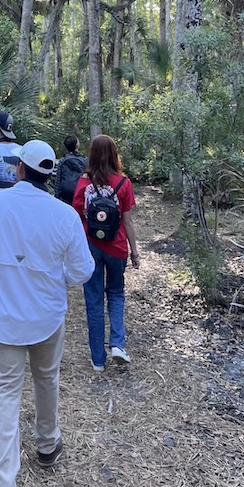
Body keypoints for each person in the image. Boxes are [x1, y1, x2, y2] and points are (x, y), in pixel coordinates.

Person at [0, 140, 94, 487]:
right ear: (50, 175)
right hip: (47, 316)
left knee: (6, 390)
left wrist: (6, 276)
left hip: (6, 317)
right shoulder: (64, 215)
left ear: (20, 169)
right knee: (46, 378)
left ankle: (2, 479)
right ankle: (47, 445)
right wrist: (56, 279)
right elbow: (82, 271)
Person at [72, 134, 140, 371]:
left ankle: (98, 359)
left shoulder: (83, 183)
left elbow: (76, 216)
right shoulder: (123, 183)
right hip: (117, 248)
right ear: (114, 154)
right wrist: (135, 253)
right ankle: (118, 345)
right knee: (116, 294)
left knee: (94, 300)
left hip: (90, 248)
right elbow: (128, 221)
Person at [54, 134, 87, 205]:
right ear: (77, 145)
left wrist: (57, 195)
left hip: (65, 196)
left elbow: (58, 180)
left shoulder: (62, 160)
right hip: (79, 193)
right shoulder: (85, 160)